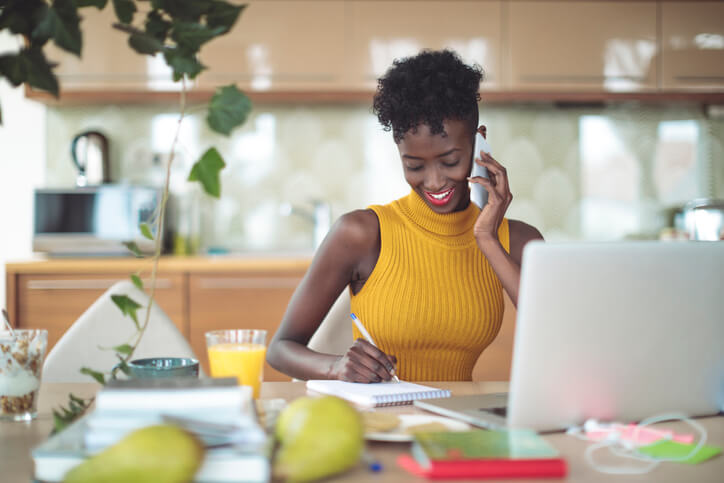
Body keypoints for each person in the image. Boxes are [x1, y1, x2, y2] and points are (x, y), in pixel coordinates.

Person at [266, 49, 543, 383]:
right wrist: (335, 367)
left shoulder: (519, 241)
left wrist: (486, 237)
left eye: (450, 160)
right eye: (414, 166)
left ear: (479, 142)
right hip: (379, 423)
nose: (435, 181)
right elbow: (280, 349)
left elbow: (560, 343)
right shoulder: (361, 233)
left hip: (459, 422)